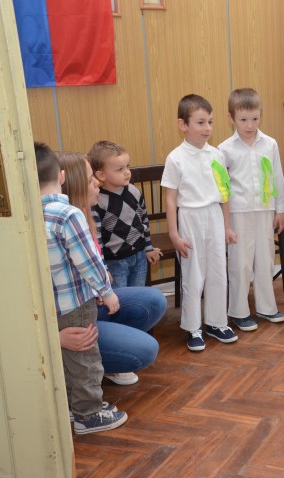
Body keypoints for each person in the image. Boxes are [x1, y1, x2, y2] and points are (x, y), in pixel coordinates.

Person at [36, 142, 128, 434]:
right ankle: (89, 414)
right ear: (62, 177)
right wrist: (106, 292)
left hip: (53, 307)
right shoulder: (68, 214)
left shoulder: (33, 215)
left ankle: (71, 407)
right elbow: (88, 262)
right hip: (77, 303)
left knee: (67, 361)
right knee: (86, 360)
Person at [58, 151, 165, 386]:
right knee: (144, 348)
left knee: (154, 300)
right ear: (74, 186)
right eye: (91, 180)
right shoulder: (67, 222)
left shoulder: (85, 214)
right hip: (77, 317)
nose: (97, 184)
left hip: (93, 303)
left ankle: (110, 361)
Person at [162, 93, 238, 351]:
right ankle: (193, 327)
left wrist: (226, 226)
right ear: (183, 125)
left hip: (213, 216)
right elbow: (170, 199)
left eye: (210, 122)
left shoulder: (217, 155)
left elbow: (225, 193)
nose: (207, 128)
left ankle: (217, 322)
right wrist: (174, 234)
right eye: (200, 122)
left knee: (217, 270)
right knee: (194, 275)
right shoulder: (175, 158)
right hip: (190, 218)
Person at [217, 88, 284, 332]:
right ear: (231, 118)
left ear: (260, 115)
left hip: (265, 210)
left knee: (266, 260)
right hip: (238, 213)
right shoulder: (224, 149)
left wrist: (280, 209)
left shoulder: (270, 144)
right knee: (241, 263)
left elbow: (277, 177)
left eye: (255, 118)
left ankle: (267, 307)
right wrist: (225, 222)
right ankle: (238, 311)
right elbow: (222, 188)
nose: (250, 125)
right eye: (243, 119)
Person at [88, 140, 162, 288]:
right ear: (101, 175)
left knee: (138, 295)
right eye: (120, 169)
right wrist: (103, 267)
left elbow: (144, 221)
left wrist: (148, 248)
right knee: (122, 298)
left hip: (139, 256)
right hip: (115, 262)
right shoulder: (98, 201)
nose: (127, 172)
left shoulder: (134, 191)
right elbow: (97, 238)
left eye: (128, 166)